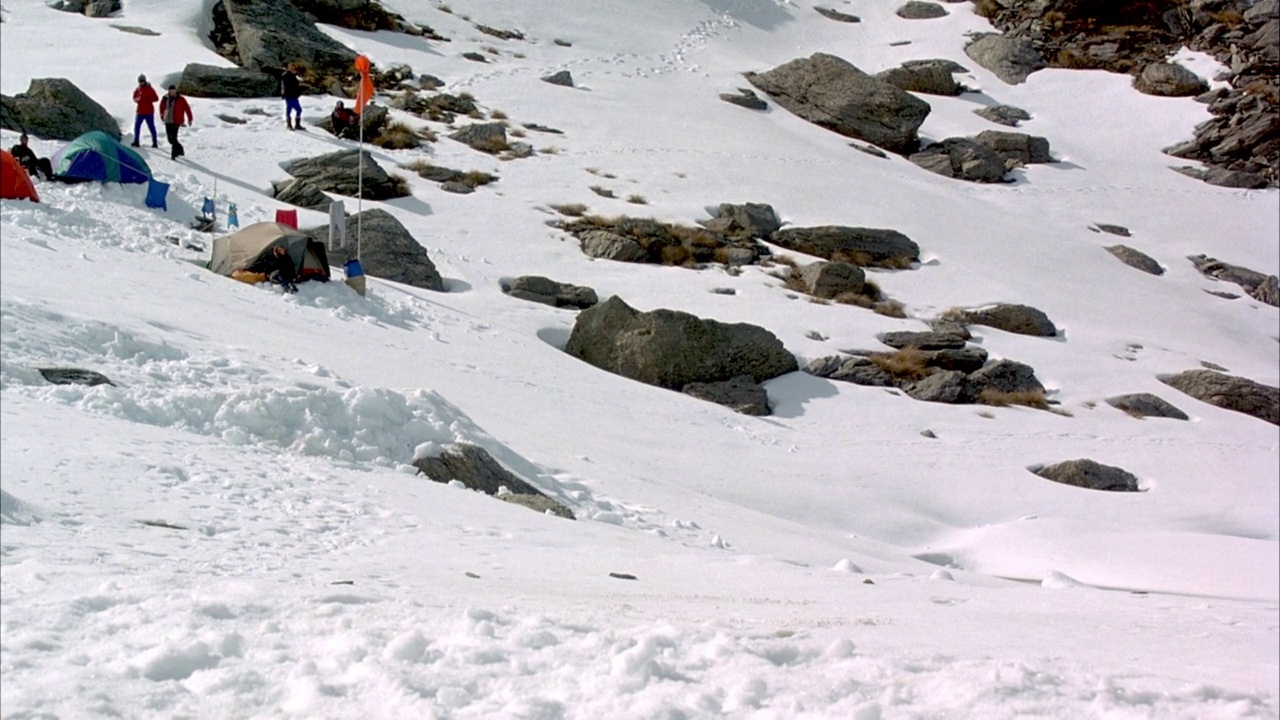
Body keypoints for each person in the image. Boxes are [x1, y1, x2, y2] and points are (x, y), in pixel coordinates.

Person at [158, 85, 193, 160]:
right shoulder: (165, 98)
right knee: (170, 139)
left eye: (174, 91)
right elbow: (161, 107)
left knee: (173, 137)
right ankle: (180, 149)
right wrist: (162, 115)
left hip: (176, 121)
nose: (172, 92)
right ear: (169, 91)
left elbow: (187, 108)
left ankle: (173, 155)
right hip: (168, 120)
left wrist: (190, 119)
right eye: (171, 91)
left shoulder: (181, 99)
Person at [132, 74, 159, 148]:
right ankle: (136, 141)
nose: (140, 83)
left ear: (145, 81)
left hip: (148, 112)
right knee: (137, 127)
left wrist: (147, 100)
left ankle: (155, 142)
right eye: (139, 81)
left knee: (151, 127)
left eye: (142, 81)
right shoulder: (138, 89)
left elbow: (156, 98)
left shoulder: (149, 89)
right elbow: (134, 96)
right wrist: (136, 99)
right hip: (140, 111)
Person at [281, 63, 302, 131]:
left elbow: (297, 84)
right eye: (290, 67)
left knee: (299, 109)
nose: (292, 68)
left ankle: (297, 124)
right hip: (289, 95)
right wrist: (293, 74)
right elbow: (287, 84)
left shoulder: (294, 75)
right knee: (289, 110)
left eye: (293, 66)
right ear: (287, 67)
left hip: (294, 96)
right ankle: (289, 124)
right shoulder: (285, 75)